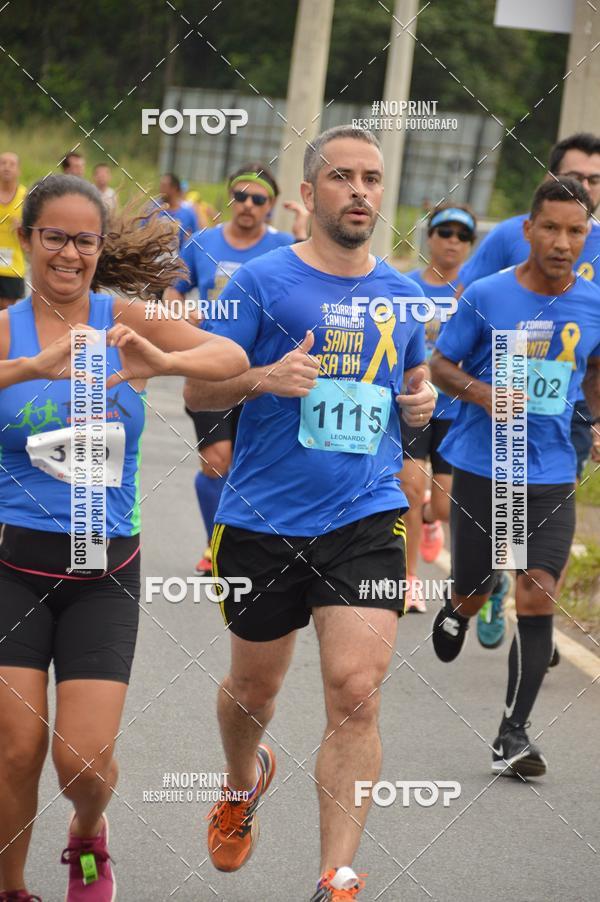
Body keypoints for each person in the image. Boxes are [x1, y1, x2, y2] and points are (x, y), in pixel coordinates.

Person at [183, 125, 437, 900]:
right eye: (344, 178)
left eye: (372, 178)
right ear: (309, 194)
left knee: (356, 690)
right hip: (262, 517)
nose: (361, 191)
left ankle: (338, 874)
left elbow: (414, 390)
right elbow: (199, 390)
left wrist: (420, 407)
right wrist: (261, 379)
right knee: (253, 692)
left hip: (365, 512)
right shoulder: (260, 284)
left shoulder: (399, 292)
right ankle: (240, 779)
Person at [0, 174, 247, 902]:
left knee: (82, 762)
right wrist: (31, 367)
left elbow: (229, 360)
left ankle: (86, 833)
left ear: (100, 247)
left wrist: (163, 363)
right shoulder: (8, 328)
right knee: (15, 750)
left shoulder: (124, 320)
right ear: (26, 240)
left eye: (85, 239)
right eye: (55, 237)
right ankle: (12, 889)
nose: (70, 253)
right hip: (12, 564)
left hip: (103, 569)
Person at [430, 178, 600, 778]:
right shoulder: (487, 294)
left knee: (537, 592)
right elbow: (440, 364)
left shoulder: (592, 303)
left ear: (587, 235)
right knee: (478, 585)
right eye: (550, 228)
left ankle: (513, 734)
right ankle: (458, 607)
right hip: (485, 465)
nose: (562, 242)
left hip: (552, 472)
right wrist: (481, 393)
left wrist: (596, 422)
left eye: (575, 231)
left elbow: (595, 372)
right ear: (527, 230)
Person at [457, 132, 600, 652]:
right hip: (497, 414)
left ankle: (528, 591)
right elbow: (466, 295)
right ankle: (495, 579)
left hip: (572, 410)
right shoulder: (512, 237)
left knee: (540, 530)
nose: (585, 185)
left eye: (594, 179)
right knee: (505, 518)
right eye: (575, 175)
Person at [166, 162, 302, 573]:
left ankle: (262, 544)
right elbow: (173, 287)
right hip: (211, 369)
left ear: (271, 206)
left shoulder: (283, 249)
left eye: (257, 199)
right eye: (240, 196)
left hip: (266, 376)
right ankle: (217, 547)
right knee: (216, 460)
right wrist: (178, 310)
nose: (247, 205)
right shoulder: (203, 242)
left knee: (260, 465)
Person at [399, 203, 477, 612]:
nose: (452, 242)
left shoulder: (475, 291)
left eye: (462, 236)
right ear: (429, 238)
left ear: (470, 246)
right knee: (411, 489)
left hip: (455, 411)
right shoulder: (405, 285)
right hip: (413, 405)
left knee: (443, 505)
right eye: (445, 233)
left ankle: (431, 521)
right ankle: (410, 581)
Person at [0, 152, 27, 309]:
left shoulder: (26, 197)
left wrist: (23, 226)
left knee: (6, 310)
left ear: (19, 170)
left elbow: (35, 229)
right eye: (3, 163)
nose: (7, 167)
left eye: (11, 164)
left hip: (13, 265)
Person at [153, 172, 198, 249]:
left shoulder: (187, 214)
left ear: (174, 188)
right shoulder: (151, 209)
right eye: (160, 185)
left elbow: (194, 240)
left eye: (164, 186)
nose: (160, 189)